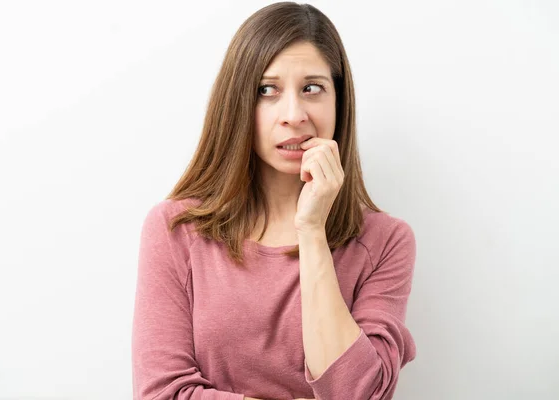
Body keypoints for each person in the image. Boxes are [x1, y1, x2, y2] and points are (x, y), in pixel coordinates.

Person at [131, 2, 417, 399]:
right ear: (238, 104)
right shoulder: (176, 228)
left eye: (312, 88)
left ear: (339, 101)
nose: (293, 114)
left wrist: (312, 230)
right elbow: (161, 393)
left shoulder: (386, 241)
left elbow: (359, 393)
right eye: (268, 90)